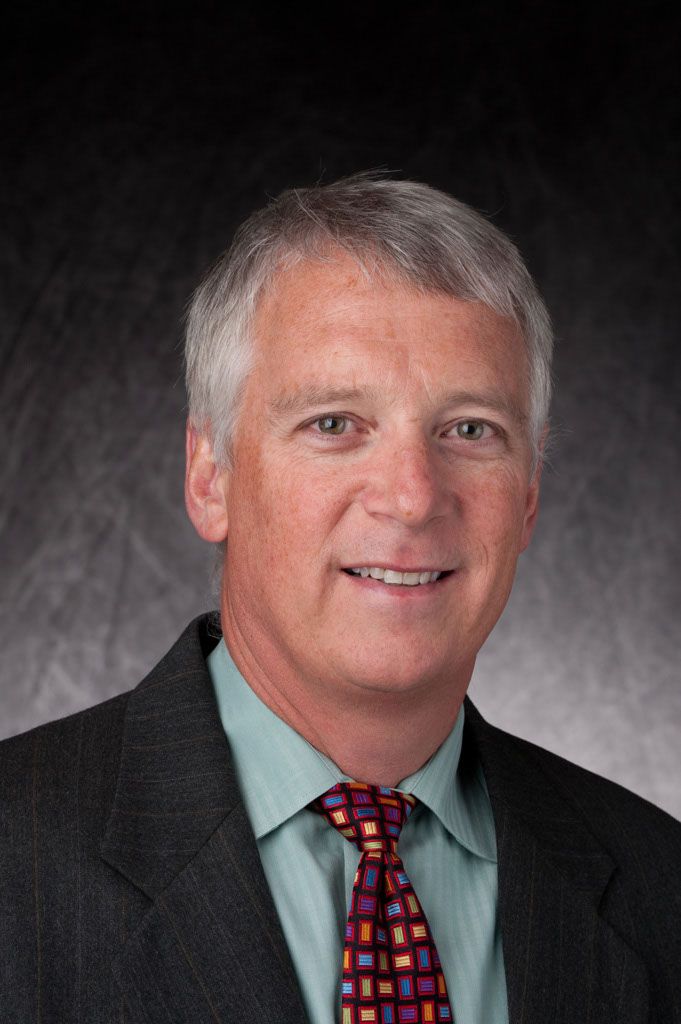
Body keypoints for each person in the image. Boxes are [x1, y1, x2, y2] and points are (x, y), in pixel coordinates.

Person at [1, 173, 679, 1024]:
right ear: (210, 477)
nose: (411, 497)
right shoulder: (14, 859)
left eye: (469, 430)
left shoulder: (659, 890)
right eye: (333, 424)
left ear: (530, 496)